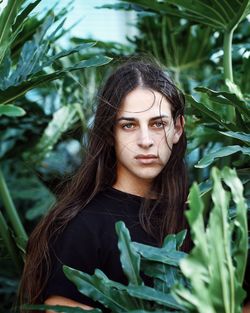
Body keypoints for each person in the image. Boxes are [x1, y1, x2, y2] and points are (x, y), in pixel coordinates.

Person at [19, 59, 190, 312]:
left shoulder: (202, 216)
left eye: (158, 124)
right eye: (129, 125)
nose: (145, 141)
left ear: (177, 128)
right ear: (110, 133)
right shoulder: (82, 227)